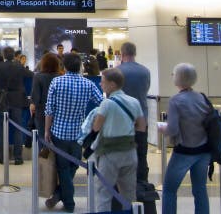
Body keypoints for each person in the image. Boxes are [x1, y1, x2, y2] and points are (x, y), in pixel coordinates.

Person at [45, 53, 103, 212]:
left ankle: (67, 201)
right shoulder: (88, 84)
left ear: (64, 66)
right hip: (79, 133)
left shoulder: (56, 82)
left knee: (63, 167)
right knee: (74, 165)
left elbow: (49, 110)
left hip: (59, 132)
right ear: (80, 67)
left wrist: (46, 130)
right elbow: (103, 104)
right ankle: (62, 196)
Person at [87, 68, 146, 212]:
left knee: (104, 193)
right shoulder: (134, 102)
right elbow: (142, 127)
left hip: (110, 154)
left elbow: (96, 127)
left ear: (112, 84)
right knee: (128, 195)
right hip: (130, 152)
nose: (101, 84)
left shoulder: (107, 104)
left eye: (103, 82)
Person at [159, 63, 212, 214]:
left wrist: (162, 128)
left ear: (178, 78)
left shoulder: (176, 101)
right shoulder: (202, 97)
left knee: (169, 189)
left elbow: (173, 129)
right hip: (204, 151)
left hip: (184, 151)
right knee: (200, 189)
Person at [0, 46, 32, 165]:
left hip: (2, 100)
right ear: (14, 55)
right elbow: (31, 74)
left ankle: (3, 157)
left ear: (4, 55)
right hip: (17, 100)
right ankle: (18, 158)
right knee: (18, 129)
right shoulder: (19, 66)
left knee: (2, 129)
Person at [117, 41, 151, 182]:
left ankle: (123, 186)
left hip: (121, 120)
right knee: (141, 154)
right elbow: (146, 90)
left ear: (122, 53)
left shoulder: (117, 71)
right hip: (141, 119)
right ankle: (142, 183)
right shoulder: (145, 71)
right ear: (135, 53)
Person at [30, 53, 60, 140]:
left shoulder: (38, 77)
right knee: (56, 139)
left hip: (41, 111)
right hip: (57, 111)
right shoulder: (60, 77)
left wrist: (32, 106)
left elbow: (35, 97)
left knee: (42, 138)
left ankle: (43, 152)